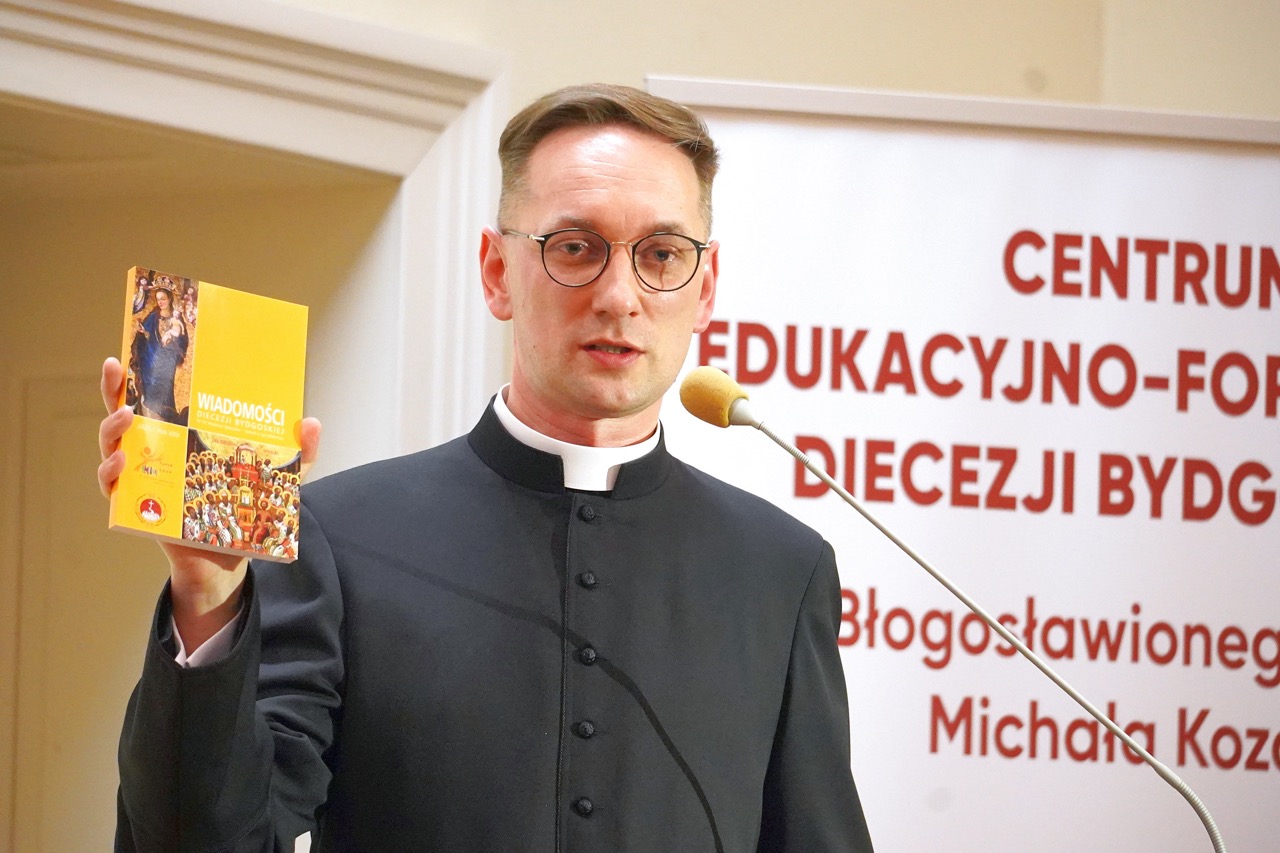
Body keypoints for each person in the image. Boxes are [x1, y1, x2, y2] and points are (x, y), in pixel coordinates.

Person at [98, 83, 874, 852]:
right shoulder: (337, 534)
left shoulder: (781, 570)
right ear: (496, 272)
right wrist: (208, 595)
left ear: (704, 289)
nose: (619, 296)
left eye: (662, 255)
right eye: (576, 247)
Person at [131, 285, 188, 424]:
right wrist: (142, 332)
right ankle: (149, 415)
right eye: (158, 299)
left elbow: (183, 340)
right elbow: (146, 336)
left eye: (163, 299)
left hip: (168, 361)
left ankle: (165, 417)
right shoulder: (153, 316)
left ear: (169, 299)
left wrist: (174, 340)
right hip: (151, 360)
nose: (160, 302)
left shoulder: (177, 318)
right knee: (151, 387)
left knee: (165, 388)